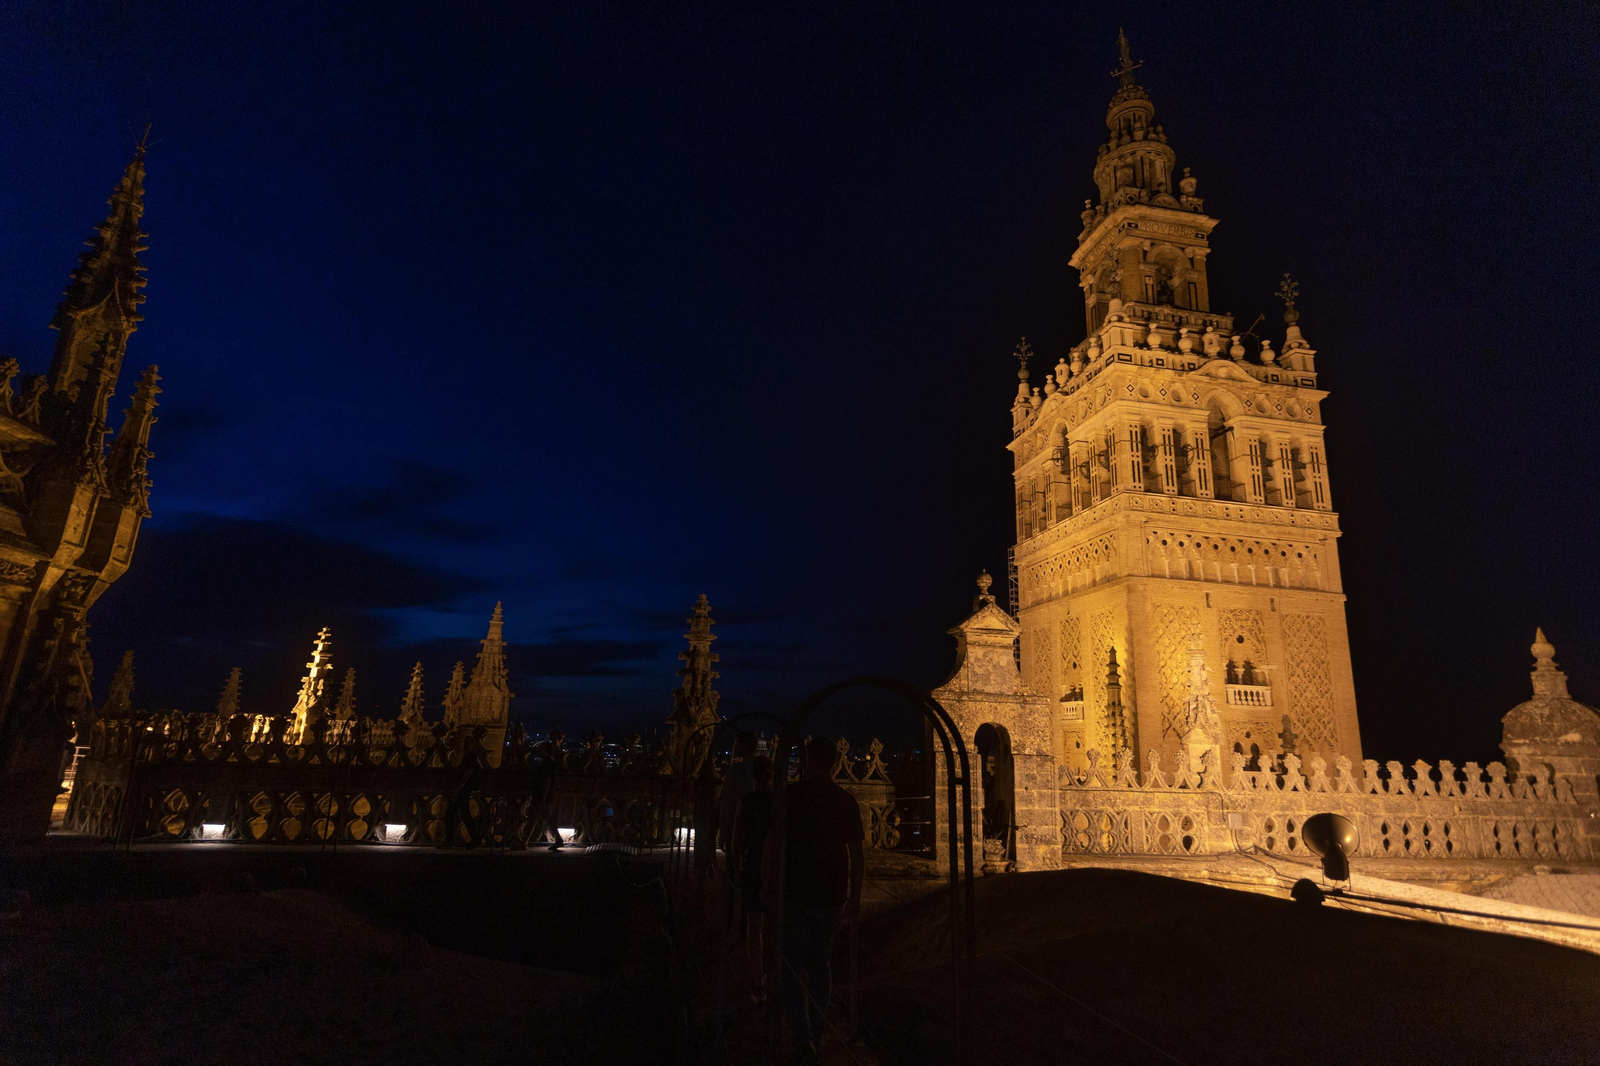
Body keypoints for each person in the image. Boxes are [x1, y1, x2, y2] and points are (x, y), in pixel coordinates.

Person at [768, 735, 864, 1061]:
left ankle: (801, 1035)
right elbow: (857, 855)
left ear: (809, 761)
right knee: (821, 966)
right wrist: (855, 898)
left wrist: (771, 887)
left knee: (793, 967)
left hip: (795, 895)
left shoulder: (792, 796)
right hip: (831, 898)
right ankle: (818, 1033)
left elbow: (775, 845)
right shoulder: (846, 801)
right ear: (836, 762)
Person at [731, 755, 773, 1001]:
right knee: (771, 925)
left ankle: (758, 981)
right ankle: (769, 975)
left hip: (752, 865)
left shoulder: (745, 802)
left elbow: (736, 842)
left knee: (754, 924)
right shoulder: (780, 801)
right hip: (775, 868)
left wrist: (738, 868)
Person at [718, 731, 760, 922]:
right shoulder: (760, 768)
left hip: (737, 829)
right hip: (758, 831)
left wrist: (724, 830)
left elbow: (728, 803)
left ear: (743, 745)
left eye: (737, 744)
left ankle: (729, 919)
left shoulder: (736, 770)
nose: (735, 747)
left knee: (733, 874)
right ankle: (747, 920)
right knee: (753, 876)